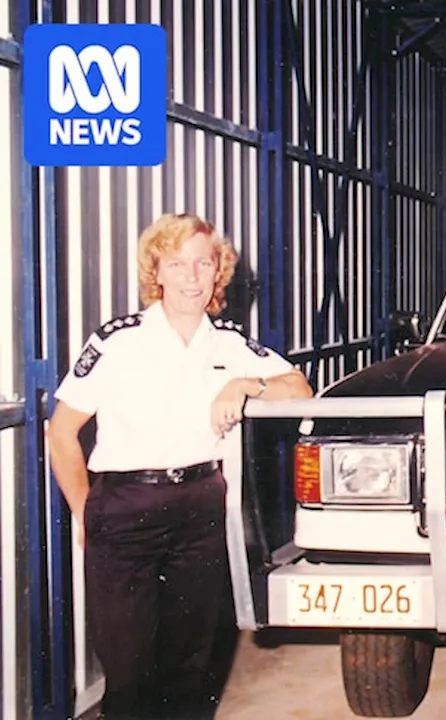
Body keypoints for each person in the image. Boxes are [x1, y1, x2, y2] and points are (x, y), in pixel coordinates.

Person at [45, 213, 315, 719]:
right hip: (125, 509)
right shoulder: (118, 341)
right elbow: (60, 432)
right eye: (178, 263)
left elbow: (299, 389)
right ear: (158, 272)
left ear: (218, 271)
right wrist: (87, 512)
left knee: (190, 667)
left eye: (203, 263)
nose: (192, 276)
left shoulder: (229, 344)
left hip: (201, 509)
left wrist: (244, 385)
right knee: (128, 672)